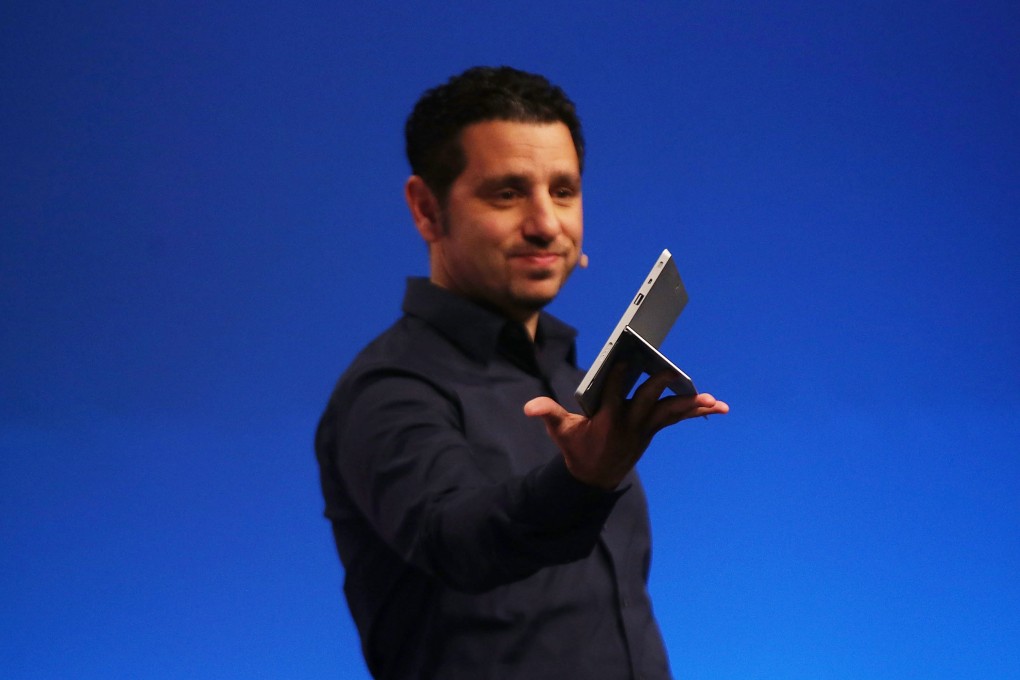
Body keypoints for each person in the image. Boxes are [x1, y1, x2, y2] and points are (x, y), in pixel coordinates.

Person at [315, 65, 729, 680]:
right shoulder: (387, 391)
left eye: (563, 191)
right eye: (507, 193)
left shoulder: (573, 379)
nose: (545, 224)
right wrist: (581, 482)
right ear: (427, 210)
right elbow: (455, 539)